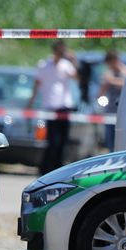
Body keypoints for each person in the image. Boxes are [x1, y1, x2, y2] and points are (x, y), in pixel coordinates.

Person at [28, 40, 78, 175]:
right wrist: (31, 102)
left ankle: (58, 169)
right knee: (52, 141)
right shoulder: (44, 65)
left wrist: (73, 60)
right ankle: (46, 169)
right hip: (50, 106)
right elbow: (37, 83)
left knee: (62, 141)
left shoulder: (66, 65)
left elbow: (76, 77)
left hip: (64, 106)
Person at [97, 50, 126, 151]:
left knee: (124, 142)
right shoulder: (108, 74)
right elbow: (100, 94)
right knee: (110, 143)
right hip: (110, 112)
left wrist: (111, 80)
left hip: (124, 113)